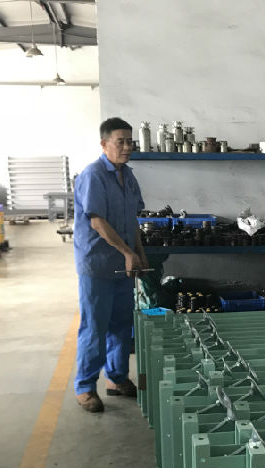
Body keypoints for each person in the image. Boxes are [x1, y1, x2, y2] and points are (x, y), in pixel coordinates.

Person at [72, 117, 150, 413]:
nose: (127, 147)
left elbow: (133, 220)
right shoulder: (93, 176)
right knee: (95, 327)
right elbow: (97, 222)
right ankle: (85, 387)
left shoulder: (128, 176)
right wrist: (127, 253)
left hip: (123, 264)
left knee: (121, 325)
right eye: (121, 142)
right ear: (104, 144)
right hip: (98, 264)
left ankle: (116, 378)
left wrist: (139, 253)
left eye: (130, 142)